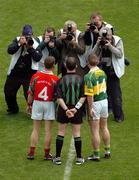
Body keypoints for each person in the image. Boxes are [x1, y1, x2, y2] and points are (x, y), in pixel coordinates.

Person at [53, 57, 86, 165]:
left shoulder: (61, 80)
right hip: (76, 110)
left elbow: (58, 98)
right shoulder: (81, 79)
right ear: (76, 66)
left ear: (66, 66)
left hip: (64, 109)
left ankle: (57, 157)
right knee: (77, 133)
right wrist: (75, 109)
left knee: (61, 132)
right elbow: (83, 96)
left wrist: (67, 110)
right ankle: (79, 158)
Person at [4, 24, 42, 115]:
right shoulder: (17, 40)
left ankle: (33, 111)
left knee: (29, 94)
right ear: (22, 34)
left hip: (29, 74)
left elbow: (38, 58)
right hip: (15, 73)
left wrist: (30, 48)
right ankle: (13, 109)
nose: (27, 38)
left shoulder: (36, 43)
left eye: (29, 36)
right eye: (25, 36)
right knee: (8, 92)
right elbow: (10, 50)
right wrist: (19, 44)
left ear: (32, 34)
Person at [27, 56, 59, 160]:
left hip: (37, 102)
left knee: (35, 129)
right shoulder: (55, 79)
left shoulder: (36, 76)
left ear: (44, 64)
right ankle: (46, 154)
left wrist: (29, 104)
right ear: (53, 66)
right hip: (49, 104)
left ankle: (31, 153)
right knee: (48, 131)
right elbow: (56, 96)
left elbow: (31, 93)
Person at [91, 27, 125, 122]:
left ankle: (118, 116)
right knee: (100, 93)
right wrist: (98, 44)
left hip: (113, 71)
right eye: (104, 38)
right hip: (101, 71)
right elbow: (92, 55)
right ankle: (99, 114)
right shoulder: (100, 41)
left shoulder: (117, 40)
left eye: (108, 37)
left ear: (111, 35)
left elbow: (119, 54)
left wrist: (110, 46)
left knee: (115, 95)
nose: (106, 40)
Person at [84, 53, 111, 161]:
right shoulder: (103, 72)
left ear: (87, 63)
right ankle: (107, 151)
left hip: (95, 103)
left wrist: (90, 108)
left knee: (95, 130)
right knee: (104, 127)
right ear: (98, 62)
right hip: (104, 101)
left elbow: (89, 95)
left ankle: (96, 154)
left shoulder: (88, 76)